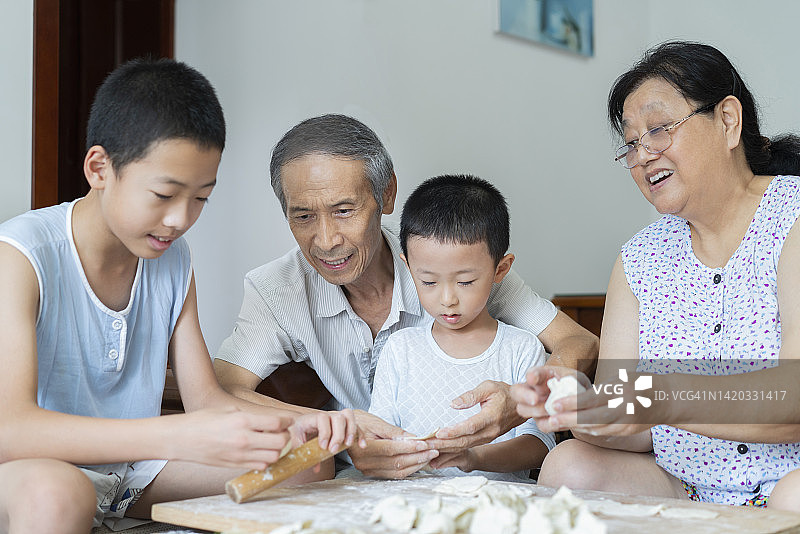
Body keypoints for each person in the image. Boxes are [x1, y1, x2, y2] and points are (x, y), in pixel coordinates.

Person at [0, 59, 355, 534]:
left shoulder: (173, 259)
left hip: (131, 471)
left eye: (201, 198)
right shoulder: (22, 256)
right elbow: (11, 430)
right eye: (164, 195)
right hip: (37, 467)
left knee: (307, 463)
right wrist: (178, 433)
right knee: (57, 494)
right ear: (100, 168)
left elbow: (205, 398)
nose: (179, 219)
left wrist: (296, 427)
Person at [213, 114, 599, 479]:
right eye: (303, 217)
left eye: (344, 210)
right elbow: (222, 388)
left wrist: (524, 397)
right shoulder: (276, 290)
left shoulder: (448, 262)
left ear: (387, 194)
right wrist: (341, 430)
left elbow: (577, 340)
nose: (326, 241)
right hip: (368, 478)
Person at [512, 41, 800, 511]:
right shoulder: (638, 260)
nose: (643, 155)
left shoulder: (793, 215)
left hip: (789, 480)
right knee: (570, 465)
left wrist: (659, 397)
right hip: (683, 484)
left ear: (728, 121)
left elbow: (793, 401)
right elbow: (633, 426)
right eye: (630, 143)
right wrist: (575, 406)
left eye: (659, 129)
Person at [369, 174, 555, 482]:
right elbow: (380, 432)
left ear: (501, 269)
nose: (447, 299)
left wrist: (472, 457)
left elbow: (539, 444)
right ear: (408, 267)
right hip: (413, 500)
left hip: (499, 505)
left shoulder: (521, 348)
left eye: (465, 282)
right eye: (427, 281)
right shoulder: (401, 349)